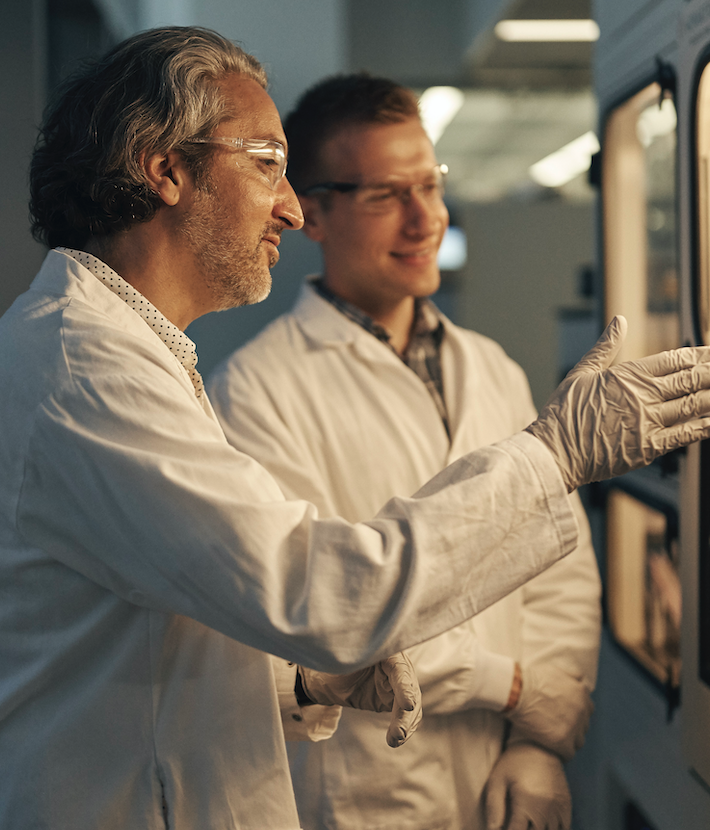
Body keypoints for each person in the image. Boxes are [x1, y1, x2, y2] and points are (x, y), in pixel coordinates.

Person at [0, 25, 710, 830]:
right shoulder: (89, 365)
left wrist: (305, 683)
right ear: (166, 168)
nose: (285, 204)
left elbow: (187, 612)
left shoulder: (120, 349)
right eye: (267, 166)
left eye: (431, 185)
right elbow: (320, 595)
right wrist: (553, 456)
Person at [207, 73, 602, 830]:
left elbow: (560, 565)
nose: (426, 220)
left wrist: (535, 742)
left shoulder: (489, 366)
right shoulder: (254, 394)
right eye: (387, 195)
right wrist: (517, 687)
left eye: (430, 184)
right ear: (312, 213)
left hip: (506, 776)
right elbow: (326, 613)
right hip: (371, 789)